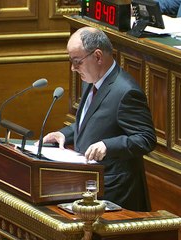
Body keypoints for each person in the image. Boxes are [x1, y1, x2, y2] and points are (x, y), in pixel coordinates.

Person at [40, 27, 157, 211]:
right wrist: (64, 134)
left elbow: (146, 139)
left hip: (115, 194)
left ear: (97, 56)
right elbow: (91, 120)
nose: (73, 68)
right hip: (89, 186)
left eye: (77, 61)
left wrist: (108, 146)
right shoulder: (93, 80)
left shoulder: (126, 92)